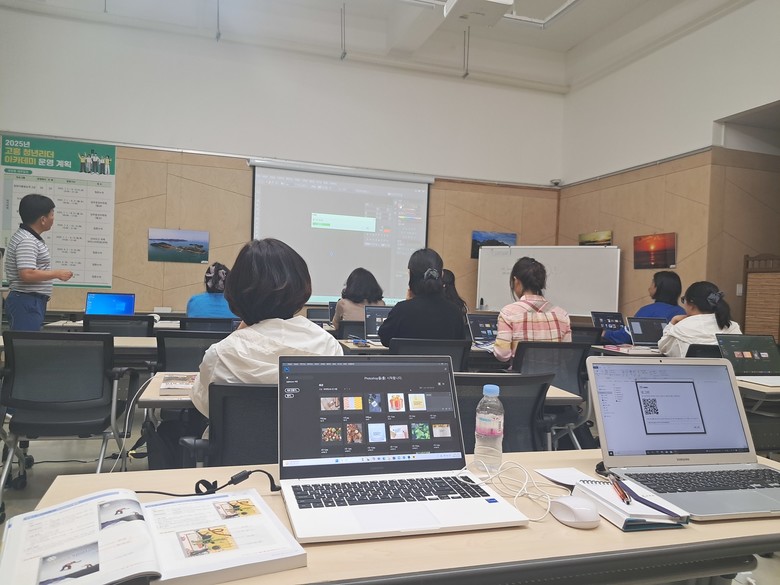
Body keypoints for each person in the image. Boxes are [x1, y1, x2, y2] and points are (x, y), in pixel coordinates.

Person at [190, 238, 343, 421]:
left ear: (235, 290)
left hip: (242, 440)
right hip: (305, 440)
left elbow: (205, 407)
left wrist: (238, 334)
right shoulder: (329, 347)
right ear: (302, 286)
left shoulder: (220, 355)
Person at [5, 194, 74, 331]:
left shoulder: (28, 237)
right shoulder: (27, 240)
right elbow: (27, 274)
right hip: (26, 301)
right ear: (43, 219)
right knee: (26, 343)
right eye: (52, 214)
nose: (53, 218)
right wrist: (57, 274)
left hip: (29, 301)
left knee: (28, 342)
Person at [377, 248, 465, 346]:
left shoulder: (402, 310)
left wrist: (408, 303)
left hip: (409, 357)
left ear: (411, 275)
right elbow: (460, 345)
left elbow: (385, 339)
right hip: (443, 357)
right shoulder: (455, 312)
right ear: (442, 274)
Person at [493, 256, 571, 363]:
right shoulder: (562, 315)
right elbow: (567, 355)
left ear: (516, 281)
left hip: (521, 374)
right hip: (553, 373)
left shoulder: (508, 313)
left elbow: (502, 354)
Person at [658, 281, 741, 357]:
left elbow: (663, 347)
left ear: (691, 304)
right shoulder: (732, 327)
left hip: (690, 369)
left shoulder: (680, 328)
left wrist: (672, 323)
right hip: (725, 369)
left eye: (684, 300)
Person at [603, 271, 686, 345]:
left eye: (652, 283)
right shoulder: (682, 312)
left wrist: (605, 333)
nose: (649, 287)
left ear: (658, 287)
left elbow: (627, 336)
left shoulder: (648, 311)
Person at [331, 267, 385, 331]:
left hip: (348, 337)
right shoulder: (381, 304)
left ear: (351, 285)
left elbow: (335, 325)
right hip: (373, 337)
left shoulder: (343, 303)